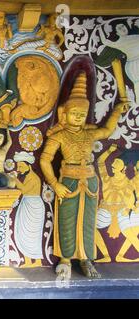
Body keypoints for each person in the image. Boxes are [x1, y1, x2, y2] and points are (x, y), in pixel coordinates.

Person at [39, 72, 129, 280]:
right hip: (68, 180)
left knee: (88, 220)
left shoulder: (89, 133)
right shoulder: (59, 136)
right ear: (64, 113)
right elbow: (44, 160)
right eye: (74, 113)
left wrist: (117, 110)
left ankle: (86, 259)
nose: (78, 117)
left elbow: (106, 131)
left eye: (82, 113)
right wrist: (54, 184)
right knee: (67, 220)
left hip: (89, 179)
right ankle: (65, 259)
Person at [96, 144, 139, 263]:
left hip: (121, 212)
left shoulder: (129, 182)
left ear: (124, 168)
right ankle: (106, 255)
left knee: (130, 233)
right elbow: (100, 162)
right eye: (113, 162)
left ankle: (121, 255)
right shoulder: (106, 179)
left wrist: (131, 207)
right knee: (89, 227)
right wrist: (109, 151)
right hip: (105, 211)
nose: (113, 165)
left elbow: (131, 197)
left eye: (117, 163)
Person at [12, 151, 45, 267]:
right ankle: (27, 261)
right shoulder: (27, 176)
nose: (19, 169)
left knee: (32, 235)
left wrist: (15, 179)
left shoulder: (33, 177)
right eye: (18, 166)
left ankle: (37, 261)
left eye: (21, 166)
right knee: (22, 232)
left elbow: (24, 190)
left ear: (28, 166)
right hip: (26, 204)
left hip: (34, 206)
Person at [99, 23, 139, 105]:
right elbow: (104, 41)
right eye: (119, 28)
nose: (122, 28)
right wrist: (99, 28)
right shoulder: (119, 42)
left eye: (123, 26)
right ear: (117, 33)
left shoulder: (136, 36)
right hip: (133, 65)